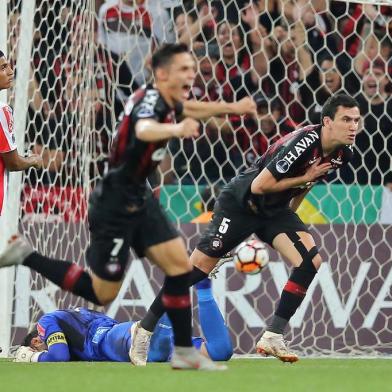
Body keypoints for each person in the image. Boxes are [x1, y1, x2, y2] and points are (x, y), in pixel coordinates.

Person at [0, 43, 255, 370]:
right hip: (116, 200)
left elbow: (190, 109)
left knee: (180, 267)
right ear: (162, 74)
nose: (190, 74)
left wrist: (231, 107)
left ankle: (166, 340)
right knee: (102, 292)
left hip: (138, 194)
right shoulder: (148, 102)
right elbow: (144, 128)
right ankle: (26, 255)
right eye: (183, 69)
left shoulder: (165, 100)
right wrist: (174, 129)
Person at [130, 93, 360, 363]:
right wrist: (304, 178)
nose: (353, 126)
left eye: (357, 120)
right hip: (241, 204)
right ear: (327, 122)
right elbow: (259, 186)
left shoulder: (343, 154)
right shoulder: (303, 142)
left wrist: (288, 219)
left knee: (311, 261)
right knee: (194, 271)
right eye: (346, 119)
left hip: (274, 211)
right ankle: (143, 330)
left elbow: (307, 184)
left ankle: (273, 335)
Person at [14, 278, 233, 364]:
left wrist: (32, 358)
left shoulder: (47, 320)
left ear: (35, 341)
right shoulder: (79, 315)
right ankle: (201, 283)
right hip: (125, 335)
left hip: (114, 341)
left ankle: (181, 275)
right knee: (221, 351)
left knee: (153, 347)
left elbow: (58, 355)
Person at [0, 50, 43, 216]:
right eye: (3, 67)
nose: (11, 71)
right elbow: (14, 163)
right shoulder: (2, 111)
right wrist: (33, 161)